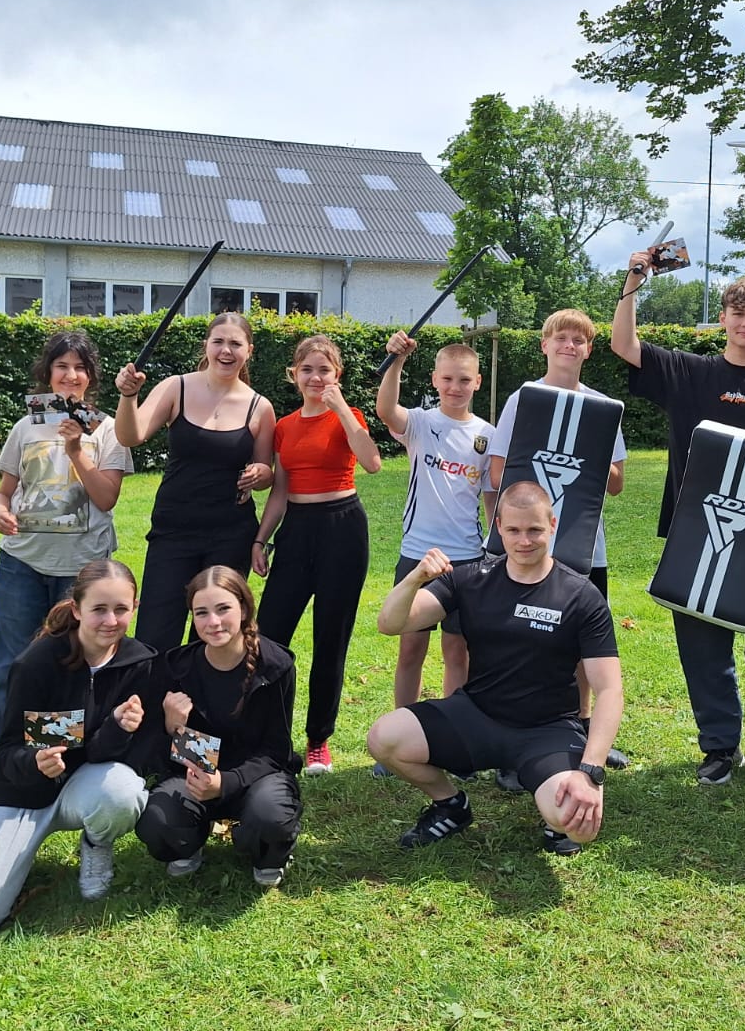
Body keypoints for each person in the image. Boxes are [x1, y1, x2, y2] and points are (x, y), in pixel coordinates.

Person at [610, 267, 745, 787]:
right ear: (721, 320)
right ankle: (720, 747)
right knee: (704, 651)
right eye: (738, 313)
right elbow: (624, 343)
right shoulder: (689, 372)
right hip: (695, 540)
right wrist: (633, 282)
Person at [368, 481, 624, 855]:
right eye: (514, 530)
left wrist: (592, 771)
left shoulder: (580, 595)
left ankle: (554, 811)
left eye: (535, 530)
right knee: (384, 738)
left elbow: (610, 689)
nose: (524, 541)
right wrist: (415, 578)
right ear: (498, 526)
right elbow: (390, 623)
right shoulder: (471, 579)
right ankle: (451, 805)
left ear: (552, 525)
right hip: (476, 716)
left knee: (578, 825)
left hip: (546, 729)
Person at [0, 560, 154, 937]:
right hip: (21, 794)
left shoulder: (140, 663)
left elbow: (115, 758)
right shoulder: (36, 663)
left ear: (134, 608)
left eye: (121, 609)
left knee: (124, 790)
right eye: (99, 609)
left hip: (84, 787)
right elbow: (5, 754)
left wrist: (117, 728)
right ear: (77, 610)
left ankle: (96, 844)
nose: (110, 620)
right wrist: (35, 762)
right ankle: (5, 850)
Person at [487, 308, 627, 783]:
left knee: (586, 644)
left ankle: (587, 732)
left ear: (590, 348)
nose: (569, 345)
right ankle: (520, 734)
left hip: (585, 546)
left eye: (579, 339)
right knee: (526, 641)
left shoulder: (603, 407)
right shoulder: (524, 399)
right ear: (545, 345)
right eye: (560, 338)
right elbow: (497, 470)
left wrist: (587, 458)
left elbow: (616, 483)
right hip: (529, 545)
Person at [0, 330, 132, 756]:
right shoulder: (25, 426)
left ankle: (57, 761)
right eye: (62, 366)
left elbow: (106, 497)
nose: (71, 375)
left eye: (80, 368)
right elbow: (5, 490)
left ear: (91, 377)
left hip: (81, 568)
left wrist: (75, 450)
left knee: (71, 663)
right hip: (22, 564)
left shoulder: (107, 429)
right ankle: (7, 761)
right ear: (48, 374)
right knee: (13, 664)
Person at [252, 333, 382, 774]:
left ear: (337, 375)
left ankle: (317, 741)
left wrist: (342, 408)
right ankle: (268, 734)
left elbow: (373, 463)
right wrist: (260, 539)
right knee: (268, 637)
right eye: (307, 369)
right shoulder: (285, 427)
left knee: (332, 637)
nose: (315, 377)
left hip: (343, 528)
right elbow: (280, 491)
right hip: (297, 530)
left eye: (324, 369)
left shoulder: (349, 417)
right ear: (294, 375)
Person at [112, 312, 275, 649]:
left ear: (249, 351)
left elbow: (265, 470)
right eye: (218, 342)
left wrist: (260, 474)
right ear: (206, 345)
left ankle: (203, 701)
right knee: (156, 632)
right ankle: (153, 701)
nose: (225, 351)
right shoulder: (177, 387)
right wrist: (128, 397)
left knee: (214, 634)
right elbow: (131, 435)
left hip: (230, 534)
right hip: (173, 530)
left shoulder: (260, 407)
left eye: (235, 343)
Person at [371, 333, 496, 761]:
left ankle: (453, 737)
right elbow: (386, 409)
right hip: (418, 556)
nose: (455, 387)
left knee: (457, 650)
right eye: (447, 379)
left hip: (467, 559)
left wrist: (495, 543)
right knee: (411, 648)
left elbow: (491, 495)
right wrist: (395, 362)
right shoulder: (421, 424)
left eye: (464, 380)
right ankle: (397, 736)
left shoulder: (487, 435)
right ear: (435, 379)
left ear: (477, 382)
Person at [136, 566, 302, 887]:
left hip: (257, 776)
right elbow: (158, 756)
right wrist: (172, 726)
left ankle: (262, 846)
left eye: (223, 608)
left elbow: (276, 751)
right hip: (198, 771)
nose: (213, 622)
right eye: (202, 613)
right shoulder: (177, 666)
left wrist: (225, 782)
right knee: (156, 821)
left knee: (271, 818)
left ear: (243, 608)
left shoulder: (276, 665)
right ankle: (199, 837)